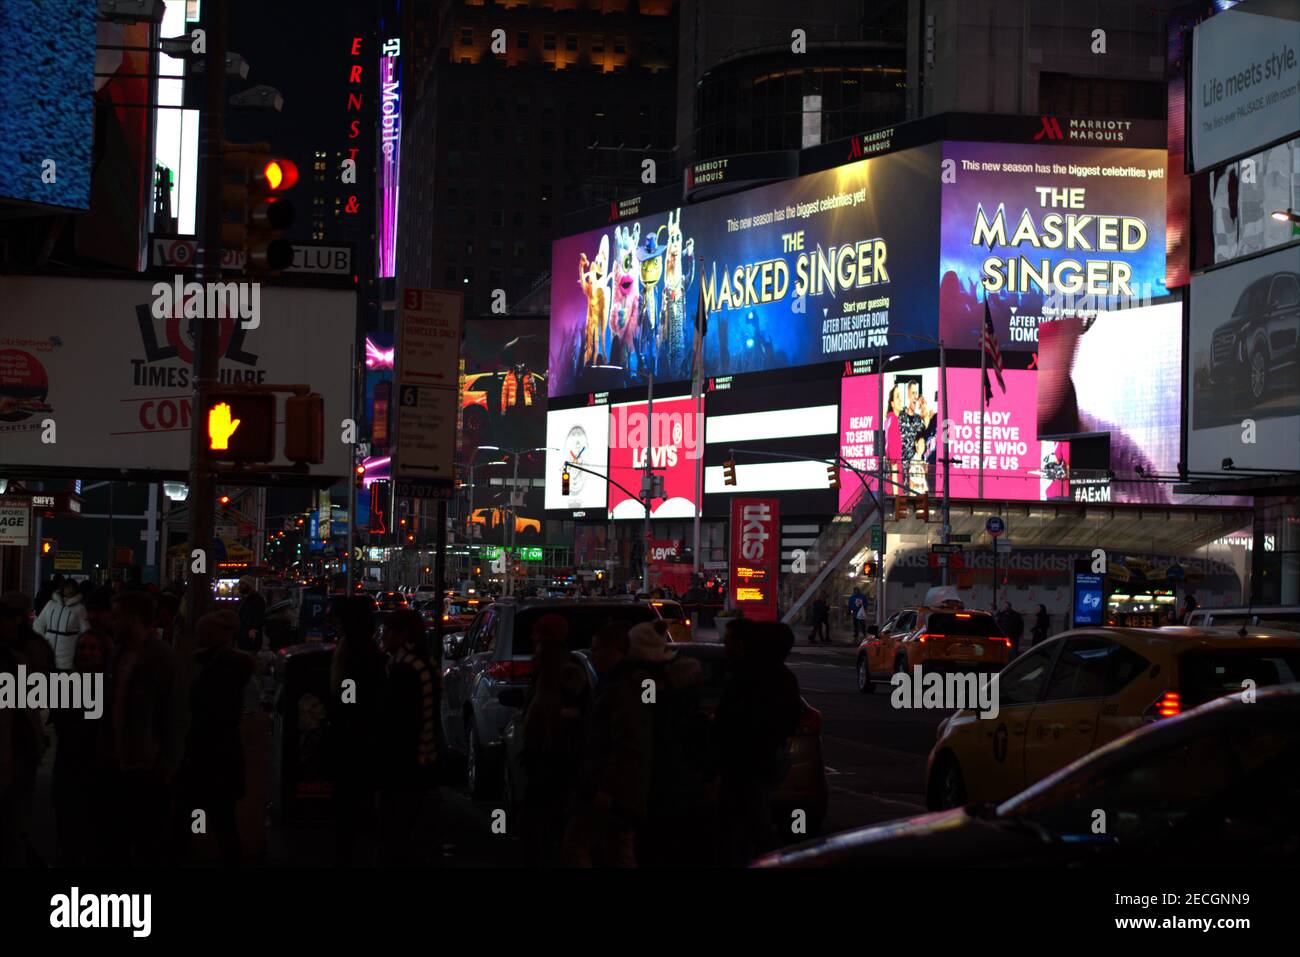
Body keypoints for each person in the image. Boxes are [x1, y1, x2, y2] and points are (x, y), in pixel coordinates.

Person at [714, 618, 802, 866]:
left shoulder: (749, 678)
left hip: (749, 762)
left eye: (728, 641)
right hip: (758, 761)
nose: (724, 646)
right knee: (749, 825)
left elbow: (736, 721)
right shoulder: (777, 677)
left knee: (749, 825)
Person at [562, 620, 646, 868]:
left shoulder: (623, 688)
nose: (593, 654)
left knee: (579, 847)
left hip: (609, 789)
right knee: (616, 850)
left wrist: (606, 789)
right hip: (614, 789)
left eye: (597, 648)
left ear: (614, 650)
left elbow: (627, 742)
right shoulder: (618, 683)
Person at [103, 590, 178, 866]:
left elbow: (174, 715)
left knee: (149, 843)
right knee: (118, 842)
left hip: (148, 769)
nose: (112, 623)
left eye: (117, 617)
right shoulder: (118, 654)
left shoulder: (161, 658)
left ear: (132, 619)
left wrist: (167, 764)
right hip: (118, 765)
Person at [174, 611, 254, 865]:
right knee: (222, 822)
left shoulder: (219, 669)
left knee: (196, 818)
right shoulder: (229, 665)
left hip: (207, 755)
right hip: (220, 757)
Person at [631, 620, 706, 868]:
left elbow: (648, 718)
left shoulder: (648, 683)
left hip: (659, 775)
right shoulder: (680, 684)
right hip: (680, 777)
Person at [518, 614, 590, 867]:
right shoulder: (558, 675)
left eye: (537, 636)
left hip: (552, 763)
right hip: (550, 763)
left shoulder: (560, 678)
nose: (532, 641)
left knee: (544, 823)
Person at [377, 609, 441, 867]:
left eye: (387, 632)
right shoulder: (425, 663)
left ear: (403, 635)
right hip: (424, 758)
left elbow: (398, 720)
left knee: (397, 832)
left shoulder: (404, 668)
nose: (383, 637)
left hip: (405, 762)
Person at [327, 596, 387, 866]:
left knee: (350, 808)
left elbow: (350, 696)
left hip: (355, 741)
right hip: (362, 739)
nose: (337, 625)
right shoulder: (368, 651)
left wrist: (343, 716)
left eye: (340, 620)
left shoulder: (355, 653)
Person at [51, 629, 111, 866]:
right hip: (69, 769)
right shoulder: (68, 684)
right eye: (83, 647)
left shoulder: (111, 686)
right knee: (69, 836)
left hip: (99, 771)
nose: (87, 652)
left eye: (93, 648)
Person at [0, 596, 50, 866]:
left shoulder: (21, 653)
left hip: (19, 743)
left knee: (15, 816)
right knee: (16, 817)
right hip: (23, 741)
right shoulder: (25, 651)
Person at [33, 577, 89, 671]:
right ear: (62, 588)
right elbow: (39, 624)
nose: (70, 590)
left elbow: (85, 632)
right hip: (48, 652)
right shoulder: (51, 605)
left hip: (68, 655)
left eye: (72, 588)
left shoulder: (79, 609)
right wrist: (42, 643)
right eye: (67, 587)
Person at [236, 576, 266, 653]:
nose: (239, 586)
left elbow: (259, 617)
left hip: (251, 635)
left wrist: (253, 629)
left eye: (242, 583)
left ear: (249, 585)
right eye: (239, 583)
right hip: (242, 635)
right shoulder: (243, 599)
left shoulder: (257, 599)